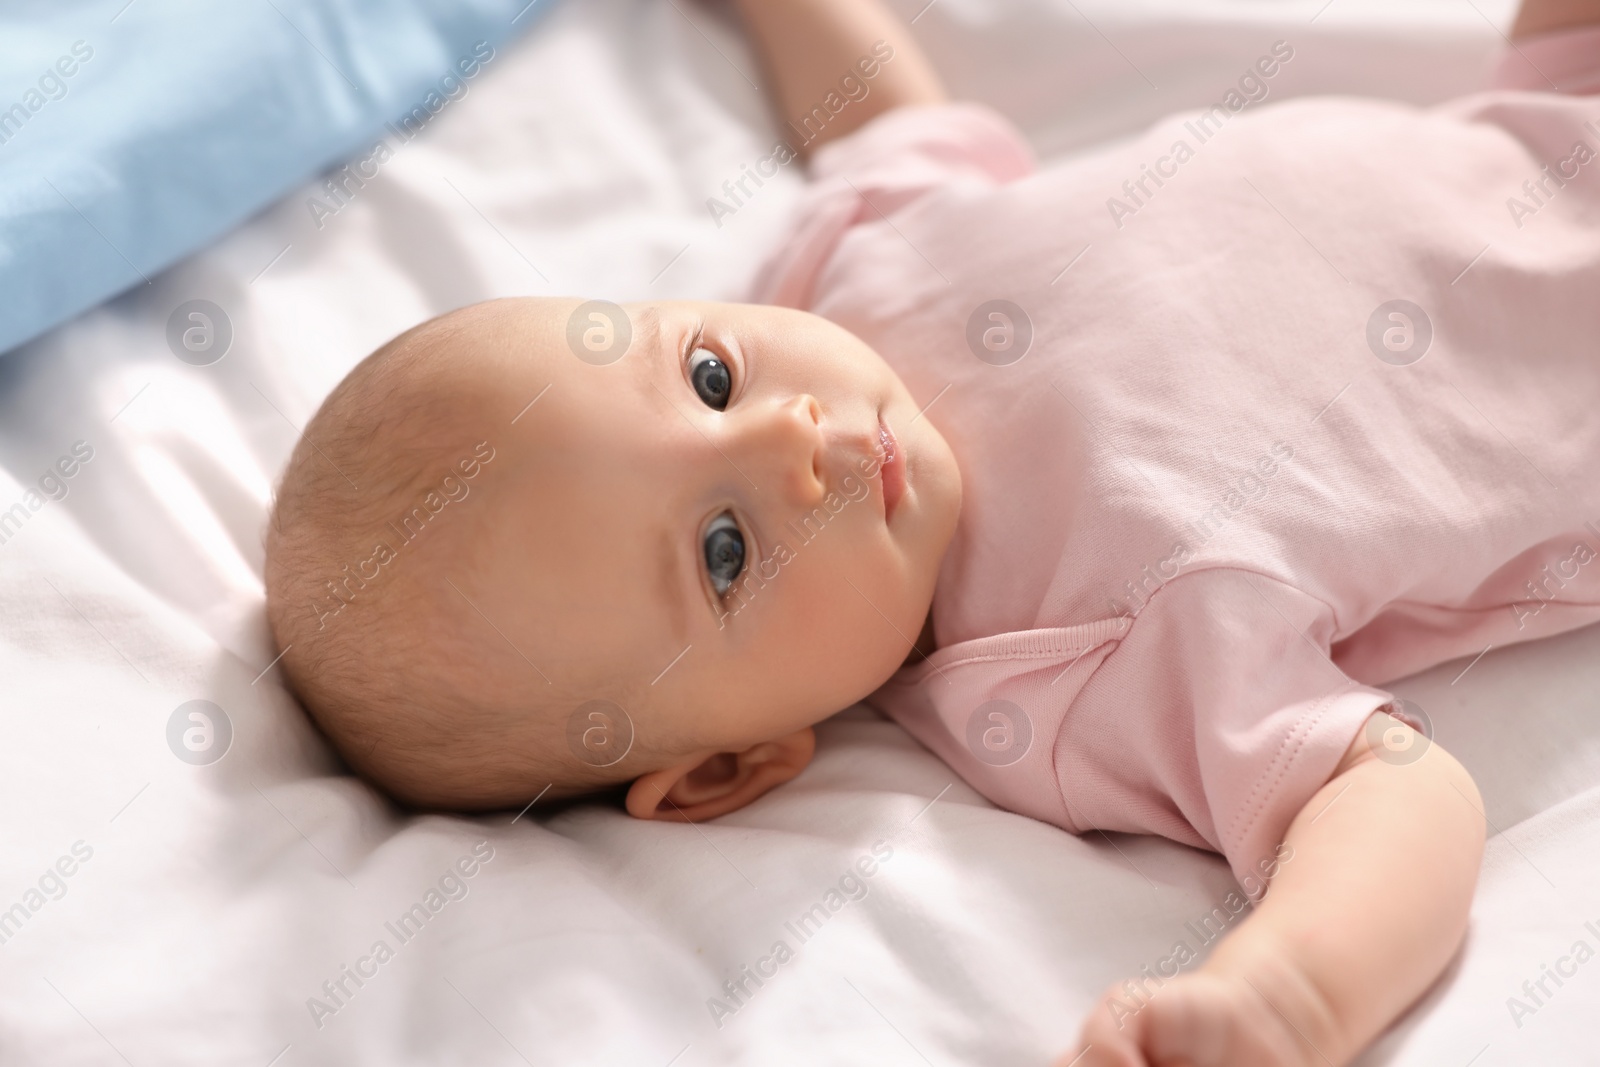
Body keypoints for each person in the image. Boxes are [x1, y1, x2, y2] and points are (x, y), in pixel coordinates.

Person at [263, 0, 1600, 1062]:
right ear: (729, 770)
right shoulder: (1071, 665)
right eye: (724, 551)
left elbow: (890, 115)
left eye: (709, 378)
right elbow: (1391, 793)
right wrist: (1293, 1000)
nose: (786, 440)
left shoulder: (842, 271)